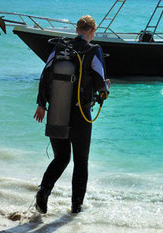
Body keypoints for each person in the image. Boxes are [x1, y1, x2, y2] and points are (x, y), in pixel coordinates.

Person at [33, 15, 110, 214]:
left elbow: (45, 75)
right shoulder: (94, 50)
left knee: (62, 158)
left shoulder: (59, 48)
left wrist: (41, 104)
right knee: (81, 161)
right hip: (80, 115)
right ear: (92, 32)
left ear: (77, 29)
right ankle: (76, 208)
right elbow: (101, 83)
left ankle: (43, 192)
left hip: (57, 110)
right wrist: (105, 89)